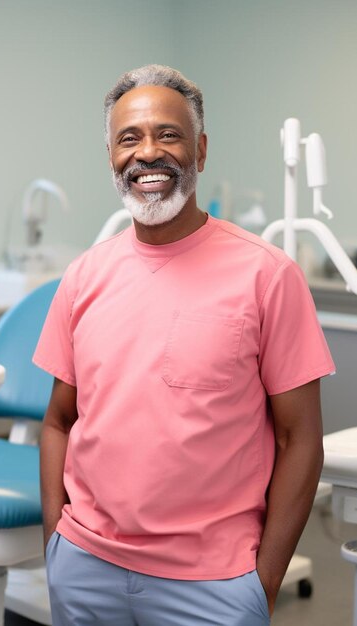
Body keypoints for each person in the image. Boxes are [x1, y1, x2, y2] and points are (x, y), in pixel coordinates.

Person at [33, 64, 335, 626]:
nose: (148, 153)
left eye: (167, 134)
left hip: (213, 585)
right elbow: (58, 421)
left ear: (200, 148)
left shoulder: (267, 276)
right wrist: (57, 546)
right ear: (111, 157)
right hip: (85, 568)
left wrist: (262, 580)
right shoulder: (83, 277)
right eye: (129, 138)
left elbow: (301, 439)